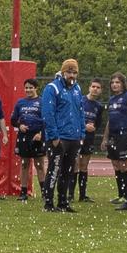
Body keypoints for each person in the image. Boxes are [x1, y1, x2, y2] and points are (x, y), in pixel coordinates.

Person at [38, 59, 87, 212]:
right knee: (54, 169)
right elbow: (48, 113)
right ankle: (48, 202)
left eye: (74, 72)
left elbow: (80, 112)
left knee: (68, 171)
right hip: (59, 137)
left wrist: (82, 133)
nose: (71, 75)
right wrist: (53, 136)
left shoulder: (77, 88)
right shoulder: (52, 88)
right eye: (69, 72)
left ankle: (63, 201)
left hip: (74, 136)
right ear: (63, 72)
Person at [102, 72, 127, 209]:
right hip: (113, 135)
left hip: (126, 134)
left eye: (117, 82)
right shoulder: (112, 100)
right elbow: (109, 120)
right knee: (116, 165)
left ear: (123, 84)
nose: (114, 85)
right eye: (112, 82)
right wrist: (105, 138)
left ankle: (126, 195)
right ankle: (120, 194)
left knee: (124, 164)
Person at [10, 78, 45, 201]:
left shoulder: (42, 102)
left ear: (36, 88)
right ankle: (23, 192)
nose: (28, 90)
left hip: (37, 136)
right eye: (26, 88)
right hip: (24, 137)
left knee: (39, 165)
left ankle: (44, 192)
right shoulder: (20, 102)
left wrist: (41, 133)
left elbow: (47, 120)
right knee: (24, 164)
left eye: (31, 87)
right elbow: (13, 120)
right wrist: (20, 126)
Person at [76, 78, 106, 203]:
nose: (95, 89)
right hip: (77, 137)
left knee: (84, 166)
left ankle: (83, 195)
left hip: (89, 139)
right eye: (93, 86)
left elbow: (98, 123)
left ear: (101, 90)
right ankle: (70, 194)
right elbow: (74, 117)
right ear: (89, 87)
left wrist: (92, 128)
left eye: (98, 87)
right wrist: (84, 126)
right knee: (74, 166)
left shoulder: (99, 106)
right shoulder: (80, 101)